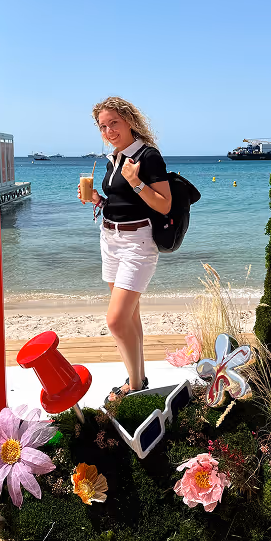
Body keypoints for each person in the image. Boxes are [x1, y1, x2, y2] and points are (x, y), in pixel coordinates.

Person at [78, 96, 172, 401]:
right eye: (103, 126)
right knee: (131, 317)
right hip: (110, 240)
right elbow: (122, 202)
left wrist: (136, 182)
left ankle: (133, 386)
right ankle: (139, 378)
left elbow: (164, 204)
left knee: (116, 320)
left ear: (129, 120)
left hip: (137, 243)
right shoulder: (114, 158)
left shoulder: (148, 156)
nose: (109, 131)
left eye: (114, 123)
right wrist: (99, 200)